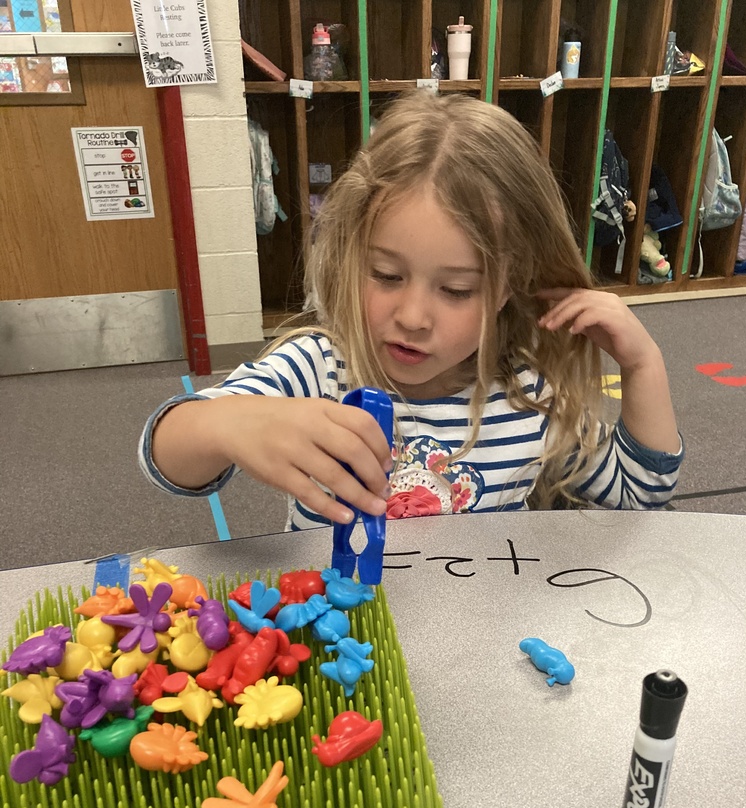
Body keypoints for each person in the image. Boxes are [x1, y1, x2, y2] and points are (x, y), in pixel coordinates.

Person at [139, 91, 682, 529]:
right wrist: (227, 424)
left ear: (507, 287)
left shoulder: (530, 395)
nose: (413, 317)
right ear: (353, 254)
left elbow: (637, 498)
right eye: (386, 275)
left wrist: (643, 365)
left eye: (457, 289)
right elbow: (165, 457)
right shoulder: (317, 370)